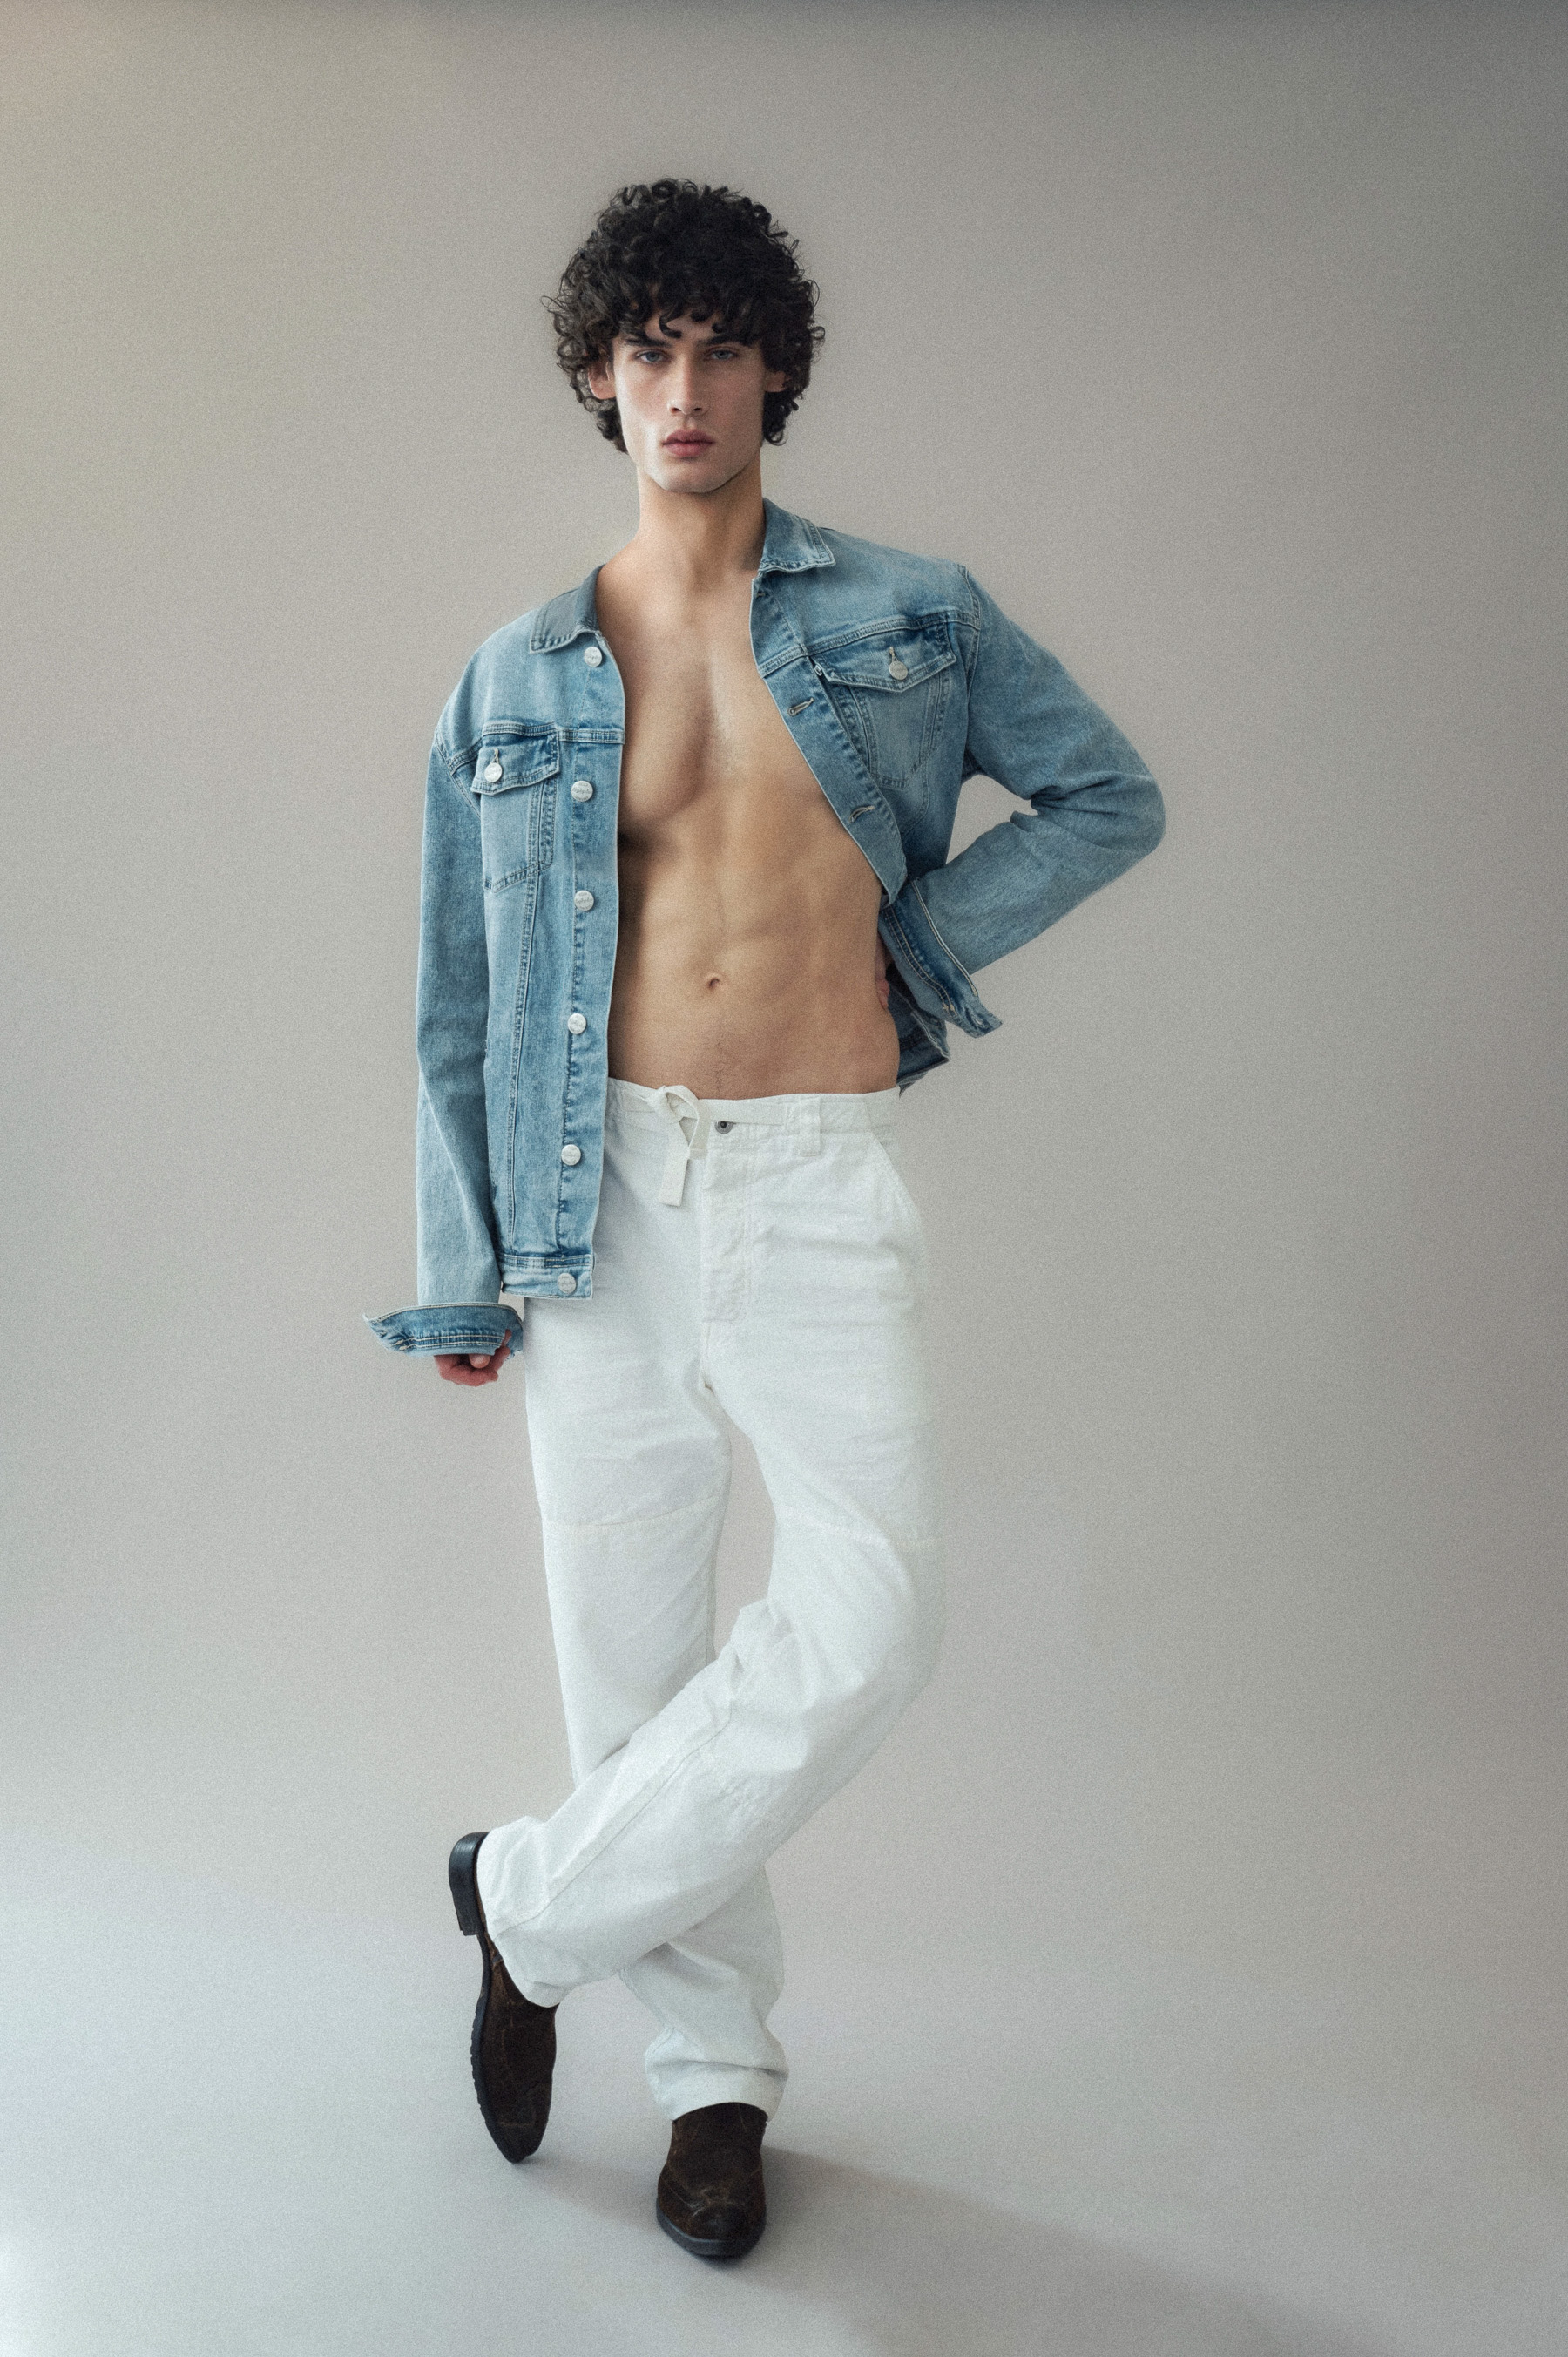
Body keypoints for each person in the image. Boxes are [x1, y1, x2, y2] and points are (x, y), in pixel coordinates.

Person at [369, 179, 1164, 2261]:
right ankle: (712, 2086)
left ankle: (525, 1907)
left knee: (872, 1615)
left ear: (778, 369)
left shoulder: (914, 613)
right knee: (631, 1667)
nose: (685, 388)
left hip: (814, 1171)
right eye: (648, 350)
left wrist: (918, 961)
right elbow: (460, 999)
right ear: (598, 375)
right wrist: (462, 1266)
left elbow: (1108, 795)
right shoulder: (514, 676)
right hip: (599, 1194)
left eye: (722, 347)